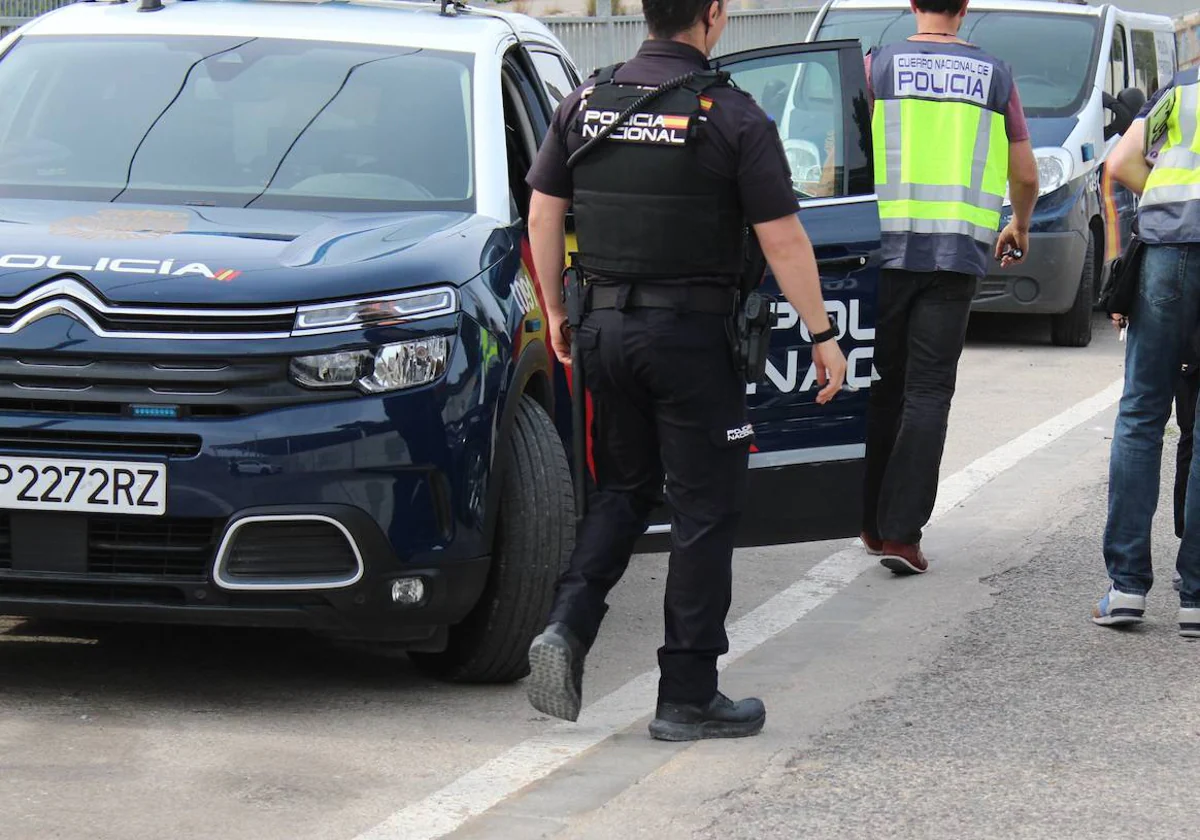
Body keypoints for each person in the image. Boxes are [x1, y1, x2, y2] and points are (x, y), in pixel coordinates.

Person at [521, 0, 848, 740]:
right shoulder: (731, 116)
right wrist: (823, 333)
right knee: (704, 511)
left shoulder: (587, 102)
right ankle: (687, 695)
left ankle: (567, 629)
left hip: (603, 328)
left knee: (620, 491)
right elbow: (784, 239)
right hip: (691, 341)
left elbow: (544, 215)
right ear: (713, 16)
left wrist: (559, 315)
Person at [858, 0, 1038, 575]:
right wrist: (1020, 224)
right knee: (929, 392)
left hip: (883, 248)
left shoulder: (876, 67)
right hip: (956, 253)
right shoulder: (996, 76)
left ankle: (869, 520)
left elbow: (845, 154)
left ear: (913, 5)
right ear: (965, 8)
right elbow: (1026, 173)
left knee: (883, 386)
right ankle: (902, 536)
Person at [1093, 68, 1200, 636]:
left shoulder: (1181, 90)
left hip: (1170, 254)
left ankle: (1127, 588)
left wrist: (1164, 197)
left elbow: (1120, 164)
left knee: (1141, 415)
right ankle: (1198, 599)